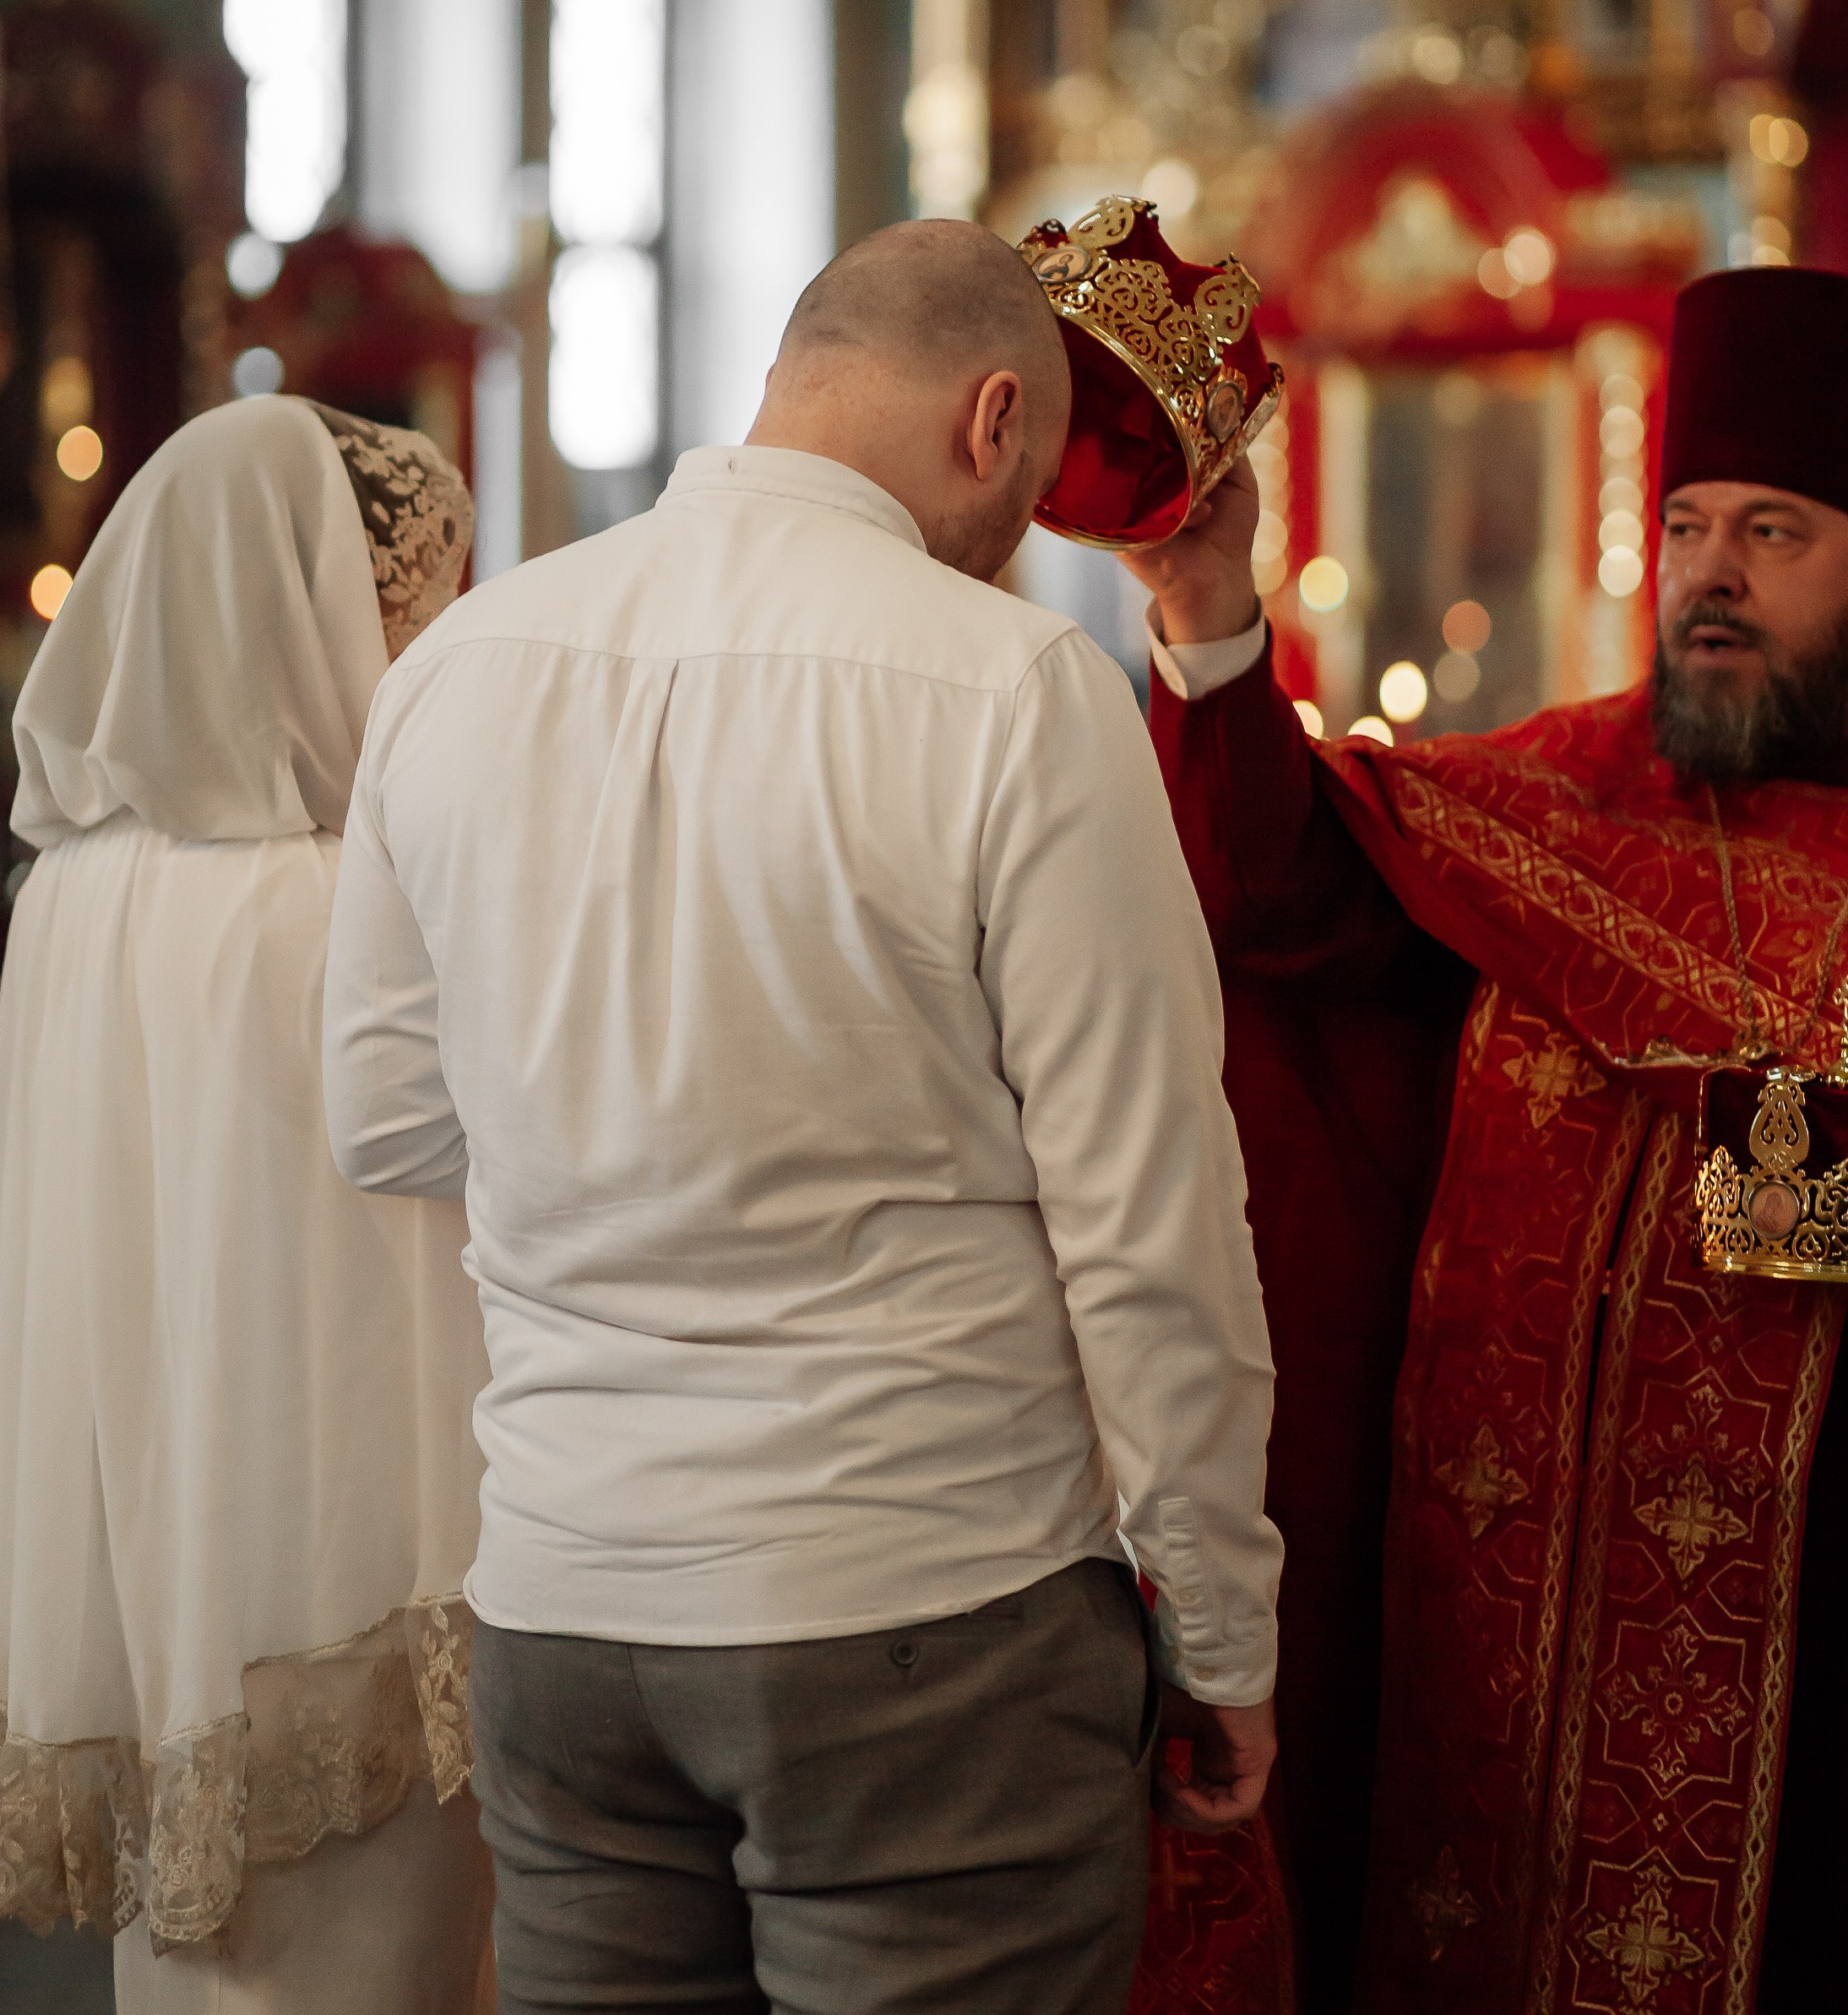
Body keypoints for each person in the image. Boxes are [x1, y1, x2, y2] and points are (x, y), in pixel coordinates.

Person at [322, 218, 1284, 2015]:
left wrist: (626, 1122)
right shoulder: (1016, 690)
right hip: (923, 1605)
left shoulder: (462, 664)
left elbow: (382, 1111)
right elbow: (1148, 1220)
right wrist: (1221, 1625)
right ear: (995, 417)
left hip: (567, 1603)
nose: (1014, 539)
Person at [1124, 262, 1848, 2015]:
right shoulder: (1539, 801)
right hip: (1481, 1652)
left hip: (1826, 1687)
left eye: (1774, 532)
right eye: (1695, 524)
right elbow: (1285, 895)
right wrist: (1209, 602)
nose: (1710, 572)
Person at [0, 395, 493, 2014]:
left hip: (159, 1541)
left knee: (197, 1971)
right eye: (417, 606)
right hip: (353, 1535)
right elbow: (442, 1209)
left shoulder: (69, 886)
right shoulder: (338, 894)